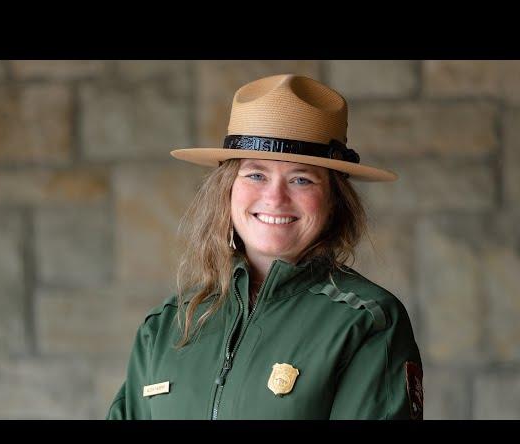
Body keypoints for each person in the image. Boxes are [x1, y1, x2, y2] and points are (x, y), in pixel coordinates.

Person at [106, 73, 423, 420]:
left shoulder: (366, 322)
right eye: (255, 174)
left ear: (333, 200)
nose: (274, 197)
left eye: (301, 179)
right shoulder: (166, 325)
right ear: (226, 189)